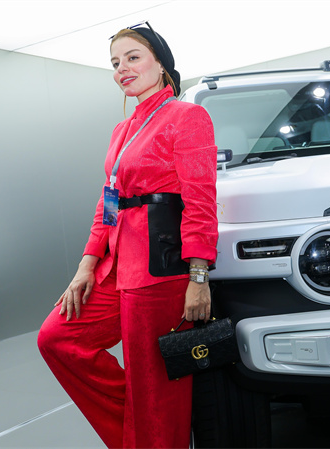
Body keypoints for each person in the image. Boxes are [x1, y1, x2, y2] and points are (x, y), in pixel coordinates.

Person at [37, 21, 218, 449]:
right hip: (114, 264)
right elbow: (108, 202)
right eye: (115, 63)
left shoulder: (187, 116)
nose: (122, 69)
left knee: (153, 380)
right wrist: (86, 266)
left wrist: (198, 277)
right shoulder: (122, 130)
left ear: (161, 63)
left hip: (158, 268)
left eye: (133, 58)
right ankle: (140, 433)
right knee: (58, 338)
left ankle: (153, 434)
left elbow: (201, 201)